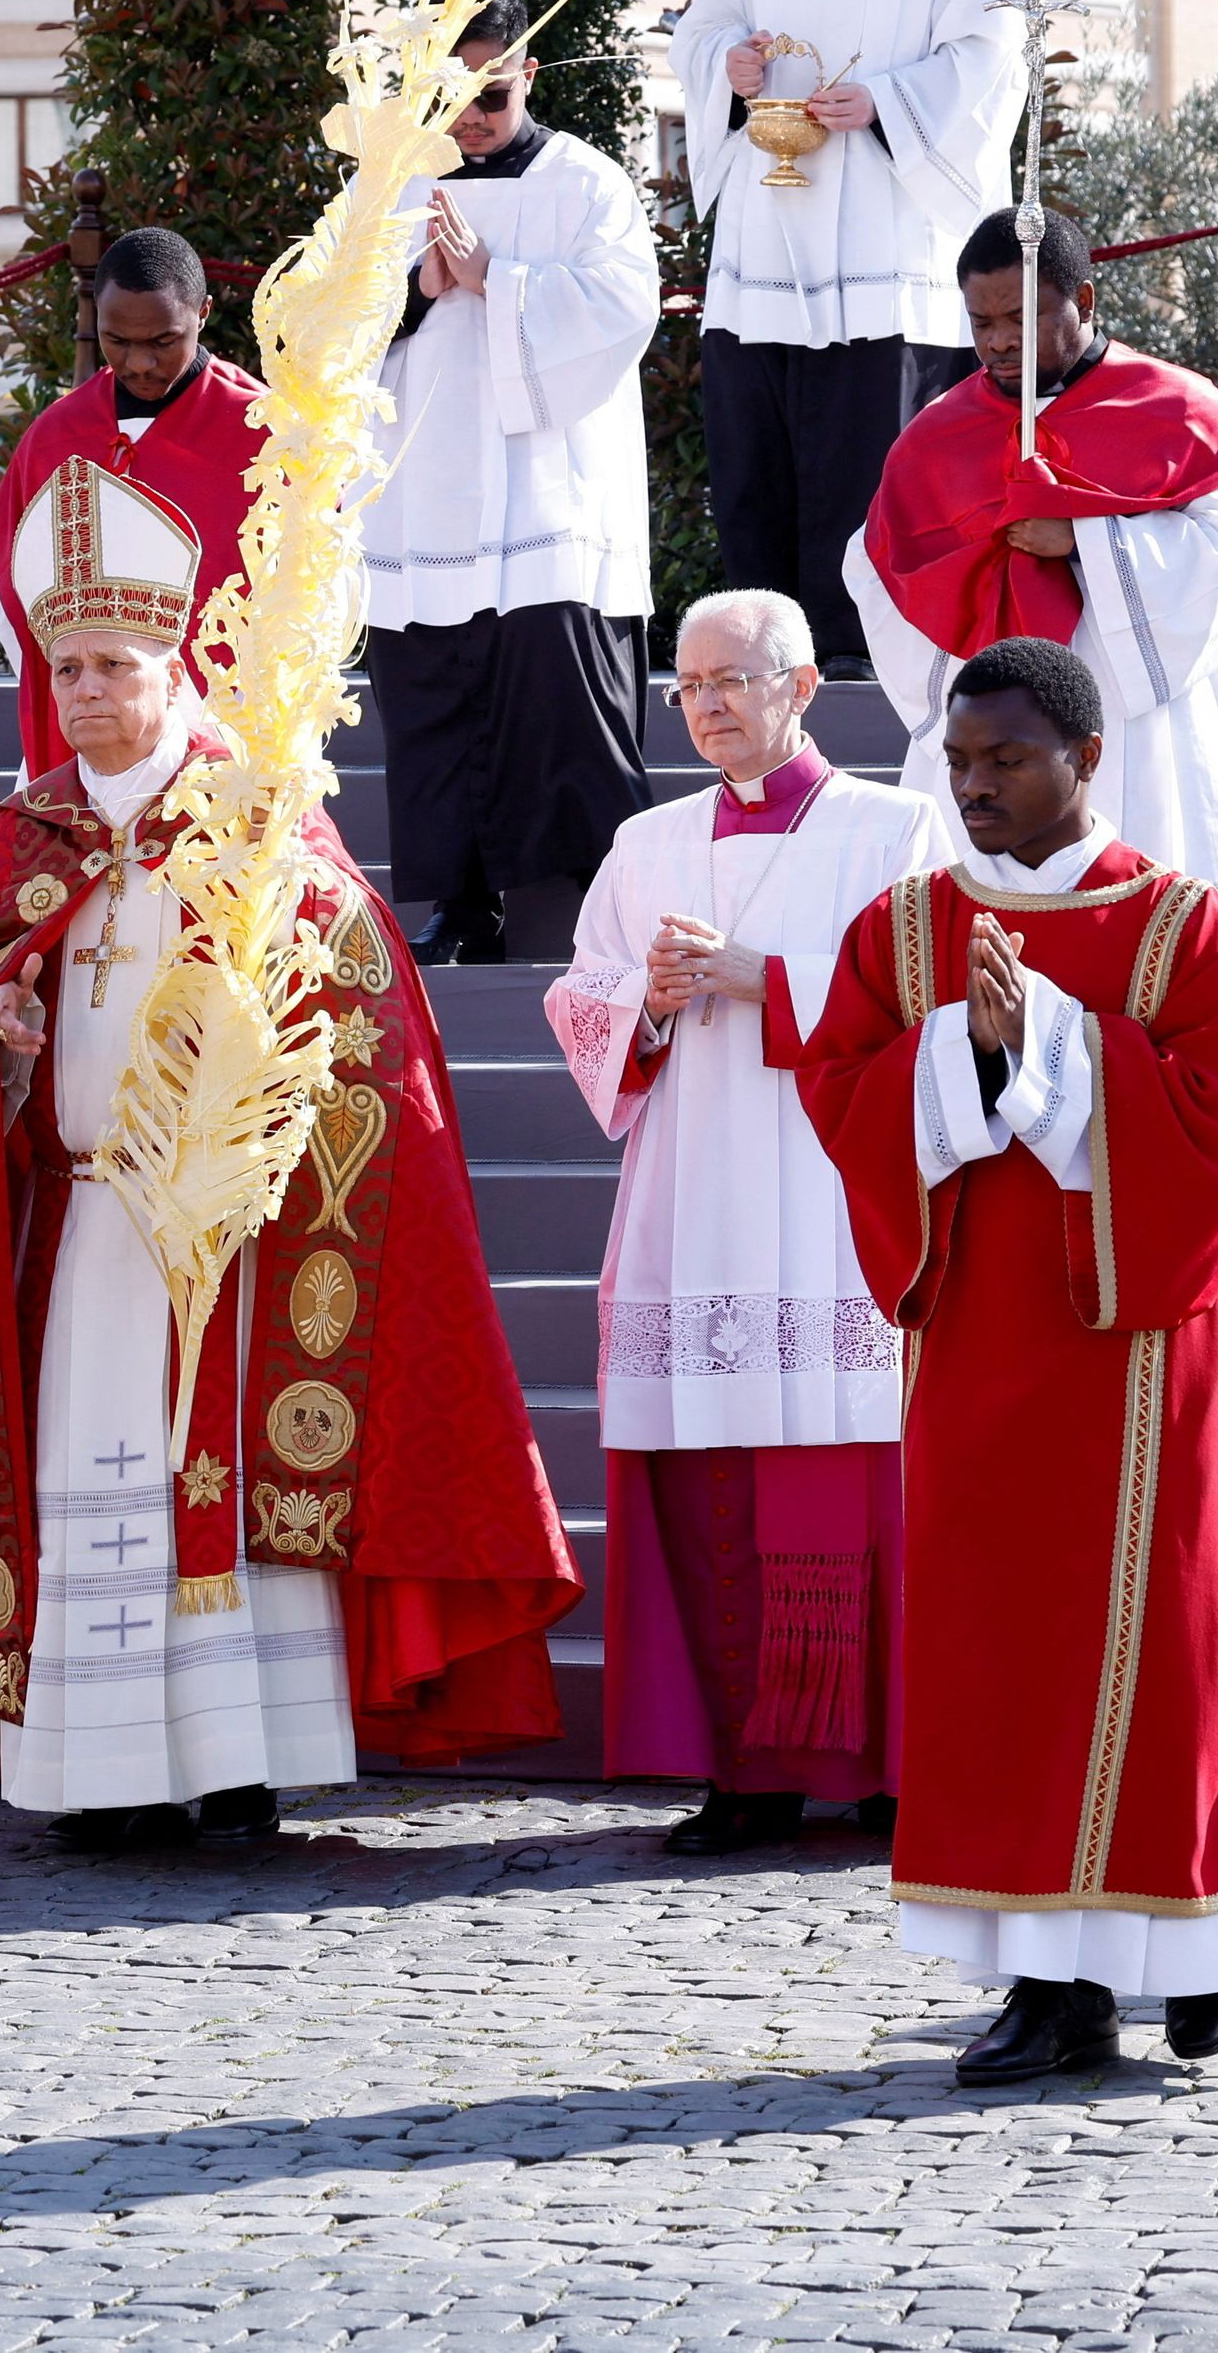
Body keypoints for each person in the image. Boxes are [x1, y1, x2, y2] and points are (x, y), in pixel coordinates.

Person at [0, 562, 579, 1851]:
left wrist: (254, 1077)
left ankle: (238, 1762)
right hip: (86, 1221)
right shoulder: (31, 830)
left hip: (235, 1235)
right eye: (70, 669)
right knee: (92, 1478)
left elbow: (362, 1004)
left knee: (214, 1470)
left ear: (175, 676)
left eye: (118, 667)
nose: (90, 691)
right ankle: (97, 1774)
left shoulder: (251, 825)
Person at [795, 637, 1218, 2085]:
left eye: (1008, 761)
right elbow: (844, 1092)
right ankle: (1049, 1985)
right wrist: (960, 1060)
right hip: (980, 1349)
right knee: (998, 1664)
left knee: (1166, 1651)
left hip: (1146, 1353)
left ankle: (1206, 1946)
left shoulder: (1195, 931)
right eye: (959, 761)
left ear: (1086, 760)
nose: (975, 787)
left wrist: (1038, 1036)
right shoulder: (902, 931)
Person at [542, 588, 948, 1853]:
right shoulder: (646, 840)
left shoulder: (898, 827)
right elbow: (582, 1002)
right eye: (689, 687)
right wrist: (646, 1000)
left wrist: (765, 982)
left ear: (804, 687)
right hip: (691, 1194)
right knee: (715, 1496)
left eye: (734, 680)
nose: (708, 704)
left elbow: (933, 997)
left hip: (836, 1195)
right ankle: (748, 1771)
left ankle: (892, 1764)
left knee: (855, 1481)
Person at [844, 208, 1218, 974]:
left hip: (1146, 715)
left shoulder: (1179, 408)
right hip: (998, 703)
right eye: (981, 320)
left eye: (1019, 317)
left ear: (1084, 303)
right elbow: (877, 564)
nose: (996, 341)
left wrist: (1088, 541)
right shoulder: (937, 430)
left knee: (1159, 961)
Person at [668, 0, 1011, 669]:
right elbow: (705, 32)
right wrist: (728, 72)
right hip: (770, 239)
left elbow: (990, 55)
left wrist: (889, 104)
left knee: (868, 486)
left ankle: (870, 683)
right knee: (758, 480)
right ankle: (754, 672)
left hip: (881, 238)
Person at [360, 0, 659, 965]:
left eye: (492, 91)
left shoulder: (588, 183)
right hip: (426, 496)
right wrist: (416, 287)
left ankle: (589, 904)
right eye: (453, 93)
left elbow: (624, 309)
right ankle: (458, 904)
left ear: (526, 71)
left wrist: (501, 281)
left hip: (548, 496)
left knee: (555, 702)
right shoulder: (389, 185)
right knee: (436, 706)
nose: (473, 115)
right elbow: (325, 319)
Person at [0, 229, 268, 772]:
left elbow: (312, 586)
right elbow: (7, 576)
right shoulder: (57, 434)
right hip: (90, 736)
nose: (138, 364)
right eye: (116, 340)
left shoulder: (261, 429)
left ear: (202, 312)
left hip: (228, 729)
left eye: (163, 341)